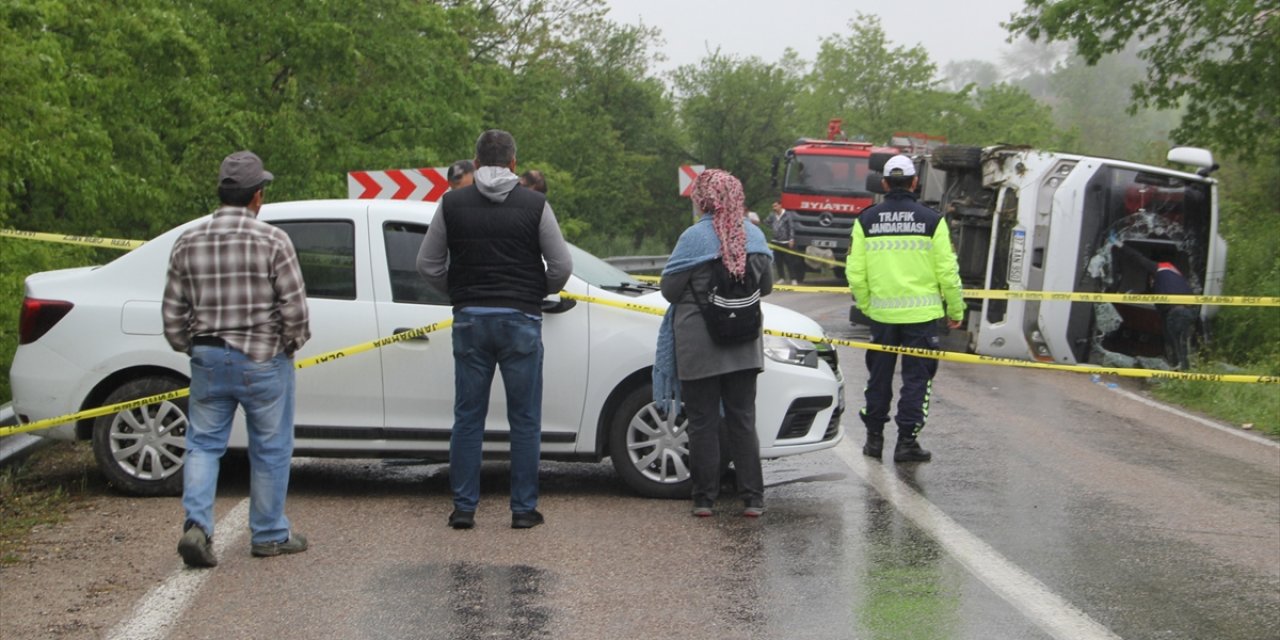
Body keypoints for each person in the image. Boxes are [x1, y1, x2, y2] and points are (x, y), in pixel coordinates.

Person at [416, 130, 573, 530]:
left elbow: (427, 264)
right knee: (525, 419)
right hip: (521, 319)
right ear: (514, 163)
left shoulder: (451, 203)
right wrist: (535, 290)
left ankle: (464, 508)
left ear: (476, 162)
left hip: (471, 318)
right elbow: (561, 266)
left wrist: (460, 291)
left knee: (468, 417)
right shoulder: (535, 205)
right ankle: (523, 510)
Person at [162, 150, 311, 567]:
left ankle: (197, 527)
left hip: (208, 355)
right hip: (264, 358)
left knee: (203, 445)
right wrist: (289, 345)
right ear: (257, 196)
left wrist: (192, 346)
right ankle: (269, 534)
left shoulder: (187, 241)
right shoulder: (274, 240)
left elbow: (172, 313)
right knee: (271, 448)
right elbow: (295, 310)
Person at [655, 169, 773, 518]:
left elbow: (669, 291)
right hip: (744, 343)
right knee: (743, 419)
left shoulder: (693, 238)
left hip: (698, 344)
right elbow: (766, 287)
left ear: (703, 199)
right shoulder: (754, 235)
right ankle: (752, 498)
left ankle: (704, 499)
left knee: (702, 422)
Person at [845, 155, 964, 464]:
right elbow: (947, 272)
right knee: (917, 379)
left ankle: (874, 440)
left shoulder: (866, 219)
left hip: (882, 316)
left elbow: (855, 272)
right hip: (922, 317)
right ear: (915, 182)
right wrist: (956, 309)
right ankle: (906, 443)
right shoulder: (932, 220)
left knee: (878, 377)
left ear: (884, 183)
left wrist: (868, 305)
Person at [1115, 242, 1197, 370]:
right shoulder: (1178, 279)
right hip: (1188, 312)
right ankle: (1182, 371)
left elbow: (1138, 258)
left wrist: (1120, 245)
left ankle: (1180, 372)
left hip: (1176, 312)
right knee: (1182, 346)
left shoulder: (1160, 268)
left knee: (1175, 346)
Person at [764, 201, 803, 285]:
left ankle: (793, 278)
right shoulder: (772, 215)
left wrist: (791, 239)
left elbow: (791, 227)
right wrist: (773, 227)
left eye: (775, 206)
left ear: (780, 205)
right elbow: (766, 221)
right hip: (775, 241)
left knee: (789, 261)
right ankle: (781, 278)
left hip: (786, 241)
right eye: (773, 206)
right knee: (778, 261)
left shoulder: (787, 215)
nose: (774, 208)